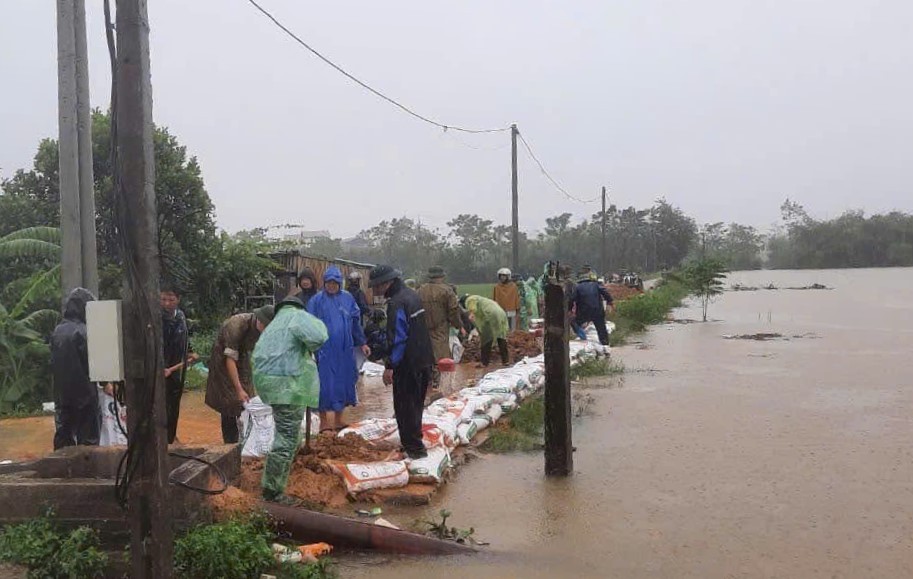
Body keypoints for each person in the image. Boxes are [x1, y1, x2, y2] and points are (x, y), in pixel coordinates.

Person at [253, 295, 328, 504]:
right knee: (286, 438)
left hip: (271, 386)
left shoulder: (274, 325)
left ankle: (277, 479)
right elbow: (319, 336)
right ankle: (272, 492)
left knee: (287, 435)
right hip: (289, 385)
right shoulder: (297, 317)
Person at [368, 265, 434, 460]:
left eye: (377, 286)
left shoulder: (397, 303)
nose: (375, 291)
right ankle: (415, 444)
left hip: (408, 364)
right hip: (423, 359)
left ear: (387, 283)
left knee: (405, 407)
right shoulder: (412, 296)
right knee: (415, 405)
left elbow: (398, 338)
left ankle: (414, 450)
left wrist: (390, 366)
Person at [307, 266, 370, 432]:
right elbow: (309, 325)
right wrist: (309, 348)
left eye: (335, 283)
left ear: (340, 283)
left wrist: (362, 342)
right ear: (324, 283)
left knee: (344, 383)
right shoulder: (316, 301)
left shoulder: (348, 299)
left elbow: (355, 323)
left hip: (344, 350)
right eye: (329, 283)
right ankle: (324, 422)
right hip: (324, 351)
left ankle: (339, 419)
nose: (332, 286)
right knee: (324, 385)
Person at [204, 305, 275, 444]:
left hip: (242, 356)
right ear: (259, 321)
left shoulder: (265, 329)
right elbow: (230, 359)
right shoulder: (236, 325)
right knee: (229, 401)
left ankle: (247, 441)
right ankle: (230, 444)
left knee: (249, 397)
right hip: (223, 358)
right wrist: (238, 389)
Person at [51, 288, 100, 449]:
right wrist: (105, 382)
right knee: (88, 438)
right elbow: (92, 362)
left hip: (62, 393)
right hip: (85, 392)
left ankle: (61, 468)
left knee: (64, 433)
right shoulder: (84, 332)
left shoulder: (57, 331)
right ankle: (88, 470)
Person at [417, 266, 463, 387]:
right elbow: (453, 310)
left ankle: (427, 382)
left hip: (423, 328)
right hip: (440, 327)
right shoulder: (447, 291)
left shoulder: (421, 290)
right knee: (442, 356)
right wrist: (457, 324)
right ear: (442, 276)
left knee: (426, 355)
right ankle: (441, 384)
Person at [161, 285, 195, 445]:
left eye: (171, 300)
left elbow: (184, 337)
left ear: (178, 300)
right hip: (161, 371)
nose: (166, 303)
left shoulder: (180, 316)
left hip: (177, 371)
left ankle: (171, 436)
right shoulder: (157, 319)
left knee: (174, 404)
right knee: (161, 406)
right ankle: (162, 439)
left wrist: (189, 351)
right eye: (163, 299)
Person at [463, 295, 510, 367]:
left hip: (490, 314)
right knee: (501, 337)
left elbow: (472, 306)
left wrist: (471, 313)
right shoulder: (483, 300)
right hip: (501, 313)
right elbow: (480, 322)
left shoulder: (470, 299)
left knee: (487, 338)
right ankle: (506, 361)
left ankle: (484, 362)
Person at [573, 270, 616, 346]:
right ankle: (605, 344)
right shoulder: (596, 284)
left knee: (574, 322)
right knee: (601, 328)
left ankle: (582, 335)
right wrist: (610, 302)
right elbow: (605, 293)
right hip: (597, 311)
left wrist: (570, 310)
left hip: (583, 312)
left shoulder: (577, 287)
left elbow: (572, 299)